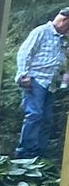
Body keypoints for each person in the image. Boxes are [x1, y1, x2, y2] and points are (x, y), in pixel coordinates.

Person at [16, 8, 69, 157]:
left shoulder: (62, 39)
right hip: (35, 80)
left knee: (46, 119)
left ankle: (39, 154)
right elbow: (25, 52)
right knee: (34, 115)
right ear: (64, 20)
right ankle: (25, 153)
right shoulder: (41, 31)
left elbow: (62, 60)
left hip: (50, 84)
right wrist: (22, 75)